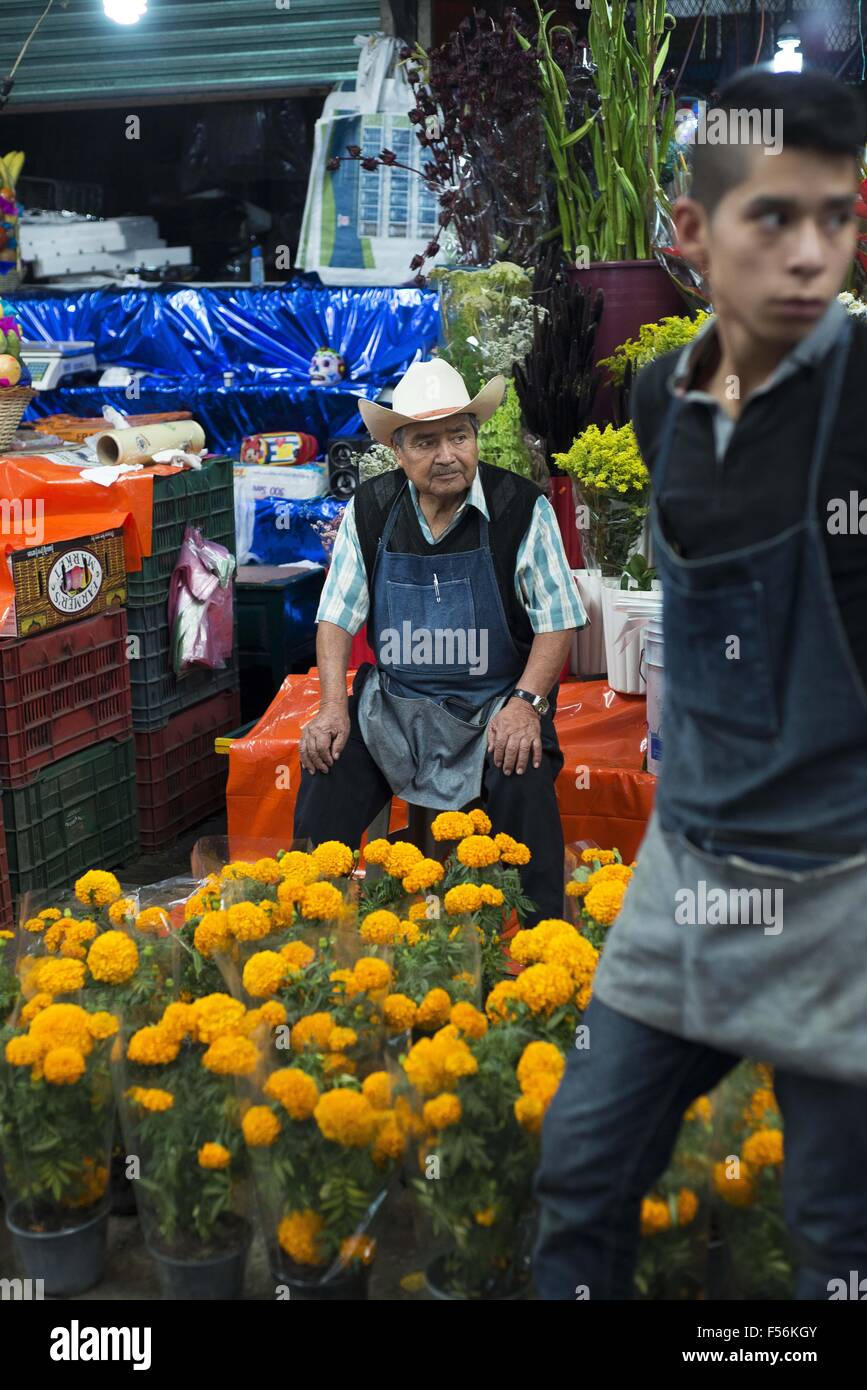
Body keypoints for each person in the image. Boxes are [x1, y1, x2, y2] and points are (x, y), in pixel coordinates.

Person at [534, 68, 867, 1299]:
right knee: (581, 1172)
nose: (811, 252)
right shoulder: (654, 401)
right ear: (689, 234)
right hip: (696, 873)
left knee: (838, 1238)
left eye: (835, 217)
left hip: (843, 890)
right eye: (771, 217)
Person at [293, 358, 586, 922]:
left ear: (476, 438)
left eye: (459, 436)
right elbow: (335, 617)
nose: (447, 454)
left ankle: (544, 936)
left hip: (495, 707)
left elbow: (558, 619)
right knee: (326, 762)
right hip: (393, 712)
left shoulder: (521, 508)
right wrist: (332, 707)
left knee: (521, 771)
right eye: (426, 442)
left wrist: (526, 704)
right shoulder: (372, 509)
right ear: (398, 452)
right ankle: (308, 931)